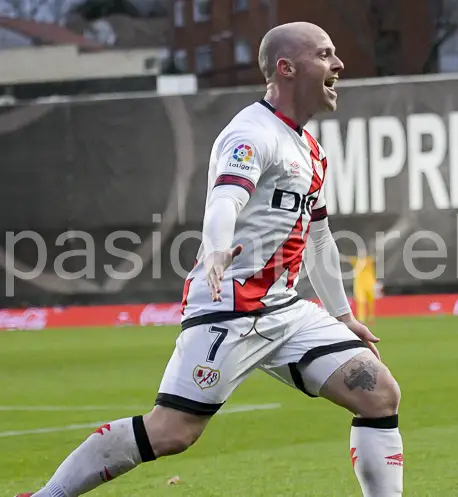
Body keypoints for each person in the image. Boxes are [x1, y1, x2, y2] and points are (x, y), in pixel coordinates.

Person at [20, 22, 403, 497]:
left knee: (378, 393)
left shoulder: (311, 149)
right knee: (171, 432)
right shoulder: (250, 133)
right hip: (230, 307)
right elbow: (226, 201)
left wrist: (343, 316)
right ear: (286, 68)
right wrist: (218, 247)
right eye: (325, 55)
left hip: (286, 310)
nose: (339, 65)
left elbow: (320, 239)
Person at [348, 252, 378, 325]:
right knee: (361, 302)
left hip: (370, 284)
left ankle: (371, 317)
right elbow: (345, 259)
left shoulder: (369, 260)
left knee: (371, 302)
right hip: (359, 285)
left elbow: (376, 259)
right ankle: (362, 320)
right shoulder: (355, 261)